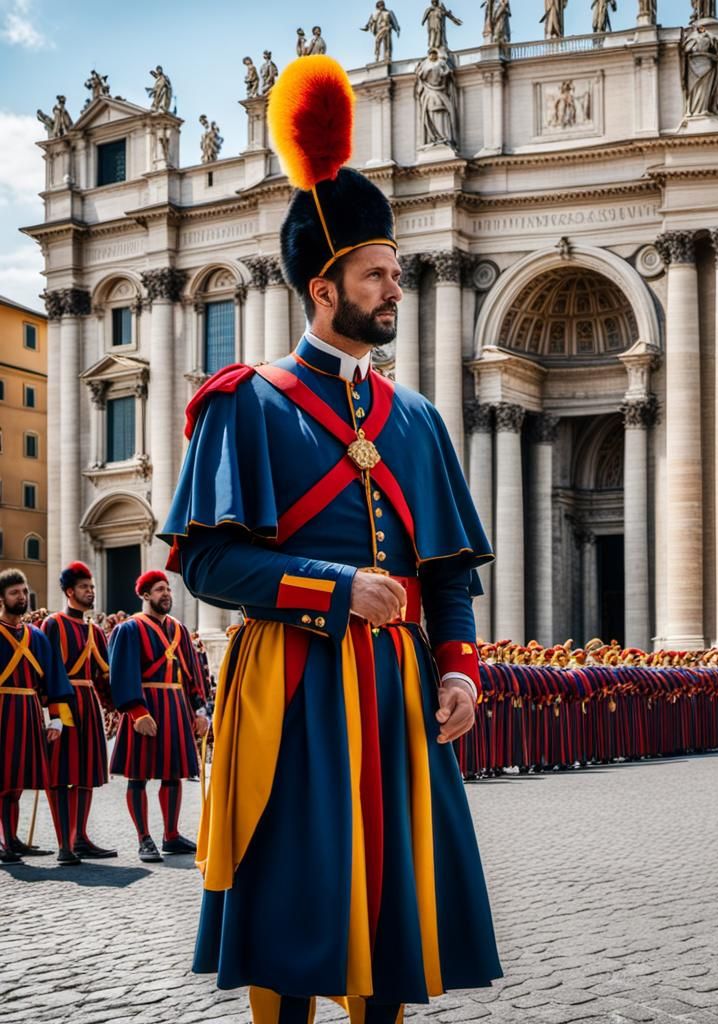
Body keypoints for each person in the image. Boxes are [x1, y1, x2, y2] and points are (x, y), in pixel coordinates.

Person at [164, 54, 501, 1024]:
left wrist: (460, 669)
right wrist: (331, 587)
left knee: (394, 916)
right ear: (323, 286)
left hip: (395, 692)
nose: (396, 287)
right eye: (378, 274)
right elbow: (209, 561)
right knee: (293, 906)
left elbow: (443, 572)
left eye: (397, 272)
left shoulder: (419, 419)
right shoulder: (248, 406)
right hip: (291, 689)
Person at [108, 571, 209, 863]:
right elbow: (122, 673)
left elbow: (194, 674)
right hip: (145, 707)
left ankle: (171, 835)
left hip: (176, 706)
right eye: (159, 589)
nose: (166, 594)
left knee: (173, 774)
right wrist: (137, 712)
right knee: (138, 776)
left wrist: (200, 710)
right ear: (145, 595)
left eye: (168, 589)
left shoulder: (179, 630)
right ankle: (144, 839)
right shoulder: (128, 629)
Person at [0, 569, 77, 865]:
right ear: (2, 598)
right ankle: (6, 840)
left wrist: (56, 718)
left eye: (23, 591)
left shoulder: (37, 636)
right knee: (4, 780)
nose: (21, 597)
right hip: (3, 710)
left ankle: (12, 839)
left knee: (16, 781)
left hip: (29, 710)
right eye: (14, 592)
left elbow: (54, 679)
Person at [42, 562, 117, 859]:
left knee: (86, 773)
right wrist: (54, 715)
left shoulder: (94, 631)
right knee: (62, 774)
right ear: (70, 591)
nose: (91, 592)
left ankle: (81, 837)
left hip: (88, 703)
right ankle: (64, 844)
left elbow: (102, 676)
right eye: (85, 587)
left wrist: (114, 705)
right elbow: (47, 672)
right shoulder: (53, 625)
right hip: (64, 702)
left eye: (92, 587)